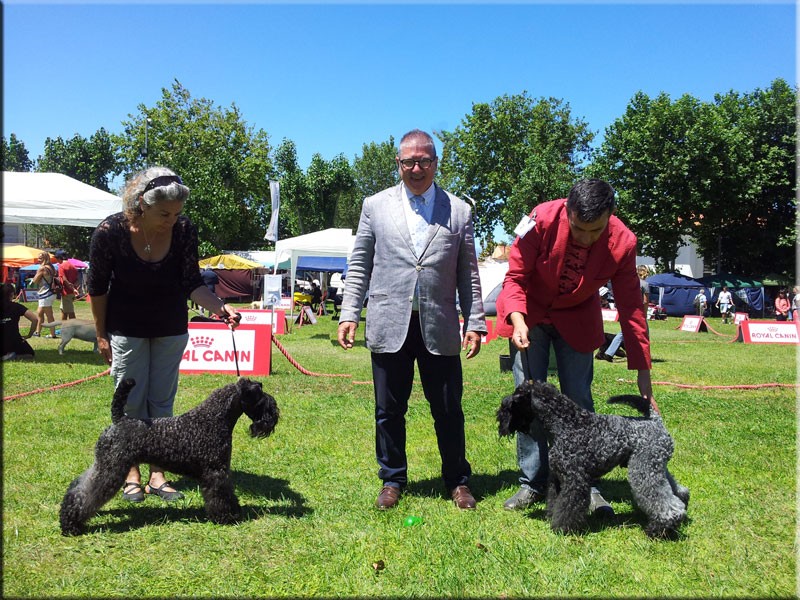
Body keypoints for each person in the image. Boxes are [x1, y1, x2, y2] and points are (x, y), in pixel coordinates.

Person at [337, 129, 486, 511]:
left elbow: (469, 272)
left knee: (449, 409)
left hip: (439, 325)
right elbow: (360, 264)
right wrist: (350, 312)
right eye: (409, 161)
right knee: (388, 410)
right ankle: (392, 479)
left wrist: (475, 321)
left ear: (436, 163)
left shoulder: (459, 210)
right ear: (398, 164)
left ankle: (457, 481)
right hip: (390, 322)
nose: (417, 168)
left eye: (424, 161)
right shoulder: (374, 206)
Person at [496, 178, 653, 515]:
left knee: (579, 401)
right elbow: (515, 277)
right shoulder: (539, 220)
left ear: (610, 215)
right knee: (529, 398)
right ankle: (532, 483)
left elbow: (631, 308)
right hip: (531, 315)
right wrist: (518, 319)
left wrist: (643, 370)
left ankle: (586, 482)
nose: (585, 238)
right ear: (566, 209)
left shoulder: (624, 242)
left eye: (594, 231)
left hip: (579, 319)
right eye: (578, 228)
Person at [88, 166, 242, 504]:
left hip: (170, 327)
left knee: (161, 402)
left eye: (176, 213)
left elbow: (192, 282)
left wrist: (220, 307)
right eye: (164, 214)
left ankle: (158, 474)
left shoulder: (185, 230)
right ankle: (131, 473)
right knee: (130, 400)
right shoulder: (109, 232)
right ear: (141, 204)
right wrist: (101, 334)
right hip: (125, 327)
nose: (172, 220)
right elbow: (96, 288)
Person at [2, 281, 38, 360]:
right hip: (13, 340)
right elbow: (34, 319)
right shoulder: (17, 307)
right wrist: (29, 335)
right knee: (30, 354)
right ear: (12, 294)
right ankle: (12, 356)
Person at [30, 251, 58, 338]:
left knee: (49, 315)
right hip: (51, 293)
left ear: (45, 258)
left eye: (40, 258)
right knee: (40, 313)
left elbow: (35, 280)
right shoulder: (52, 267)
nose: (38, 260)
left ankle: (53, 334)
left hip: (45, 294)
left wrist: (32, 279)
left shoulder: (42, 268)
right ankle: (37, 332)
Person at [54, 250, 79, 319]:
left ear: (60, 258)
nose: (56, 260)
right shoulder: (73, 266)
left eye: (56, 258)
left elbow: (64, 280)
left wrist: (72, 289)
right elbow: (77, 280)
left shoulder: (61, 266)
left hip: (66, 292)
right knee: (63, 310)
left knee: (70, 312)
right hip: (71, 292)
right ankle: (64, 328)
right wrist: (74, 288)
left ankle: (74, 328)